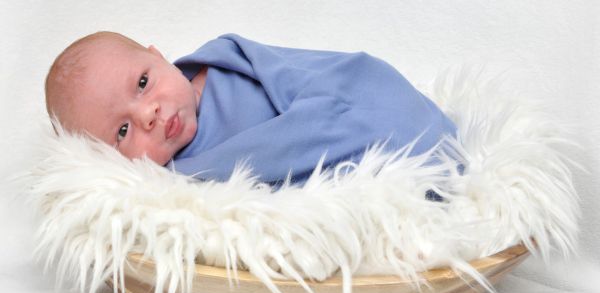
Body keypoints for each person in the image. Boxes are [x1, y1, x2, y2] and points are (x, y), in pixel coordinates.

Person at [45, 31, 457, 185]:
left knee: (384, 114)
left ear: (159, 56)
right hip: (342, 174)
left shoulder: (227, 61)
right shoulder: (174, 180)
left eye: (142, 83)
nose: (147, 115)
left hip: (353, 100)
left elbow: (309, 74)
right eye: (122, 132)